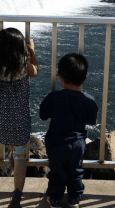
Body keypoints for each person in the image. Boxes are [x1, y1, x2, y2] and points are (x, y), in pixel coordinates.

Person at [0, 27, 38, 208]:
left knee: (12, 146)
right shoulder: (24, 66)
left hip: (2, 120)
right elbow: (35, 72)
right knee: (21, 156)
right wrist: (31, 51)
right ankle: (17, 194)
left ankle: (11, 154)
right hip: (20, 121)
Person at [40, 53, 98, 208]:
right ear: (85, 77)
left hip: (55, 142)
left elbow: (43, 115)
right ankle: (74, 198)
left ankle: (55, 199)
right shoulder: (89, 100)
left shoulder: (54, 97)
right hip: (77, 143)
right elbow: (92, 121)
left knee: (57, 172)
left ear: (60, 77)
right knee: (76, 171)